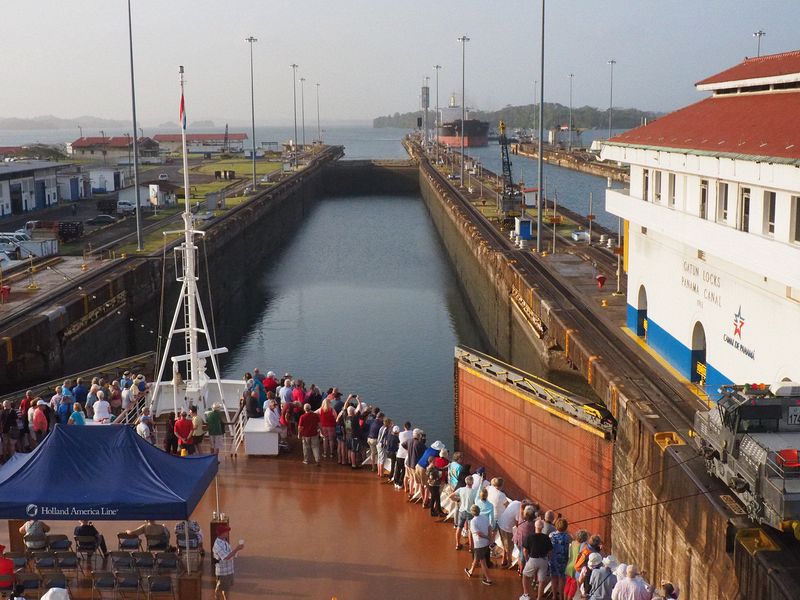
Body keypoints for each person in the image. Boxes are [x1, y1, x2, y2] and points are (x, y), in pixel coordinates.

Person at [521, 519, 552, 600]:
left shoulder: (529, 537)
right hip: (543, 560)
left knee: (525, 575)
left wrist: (527, 559)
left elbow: (525, 550)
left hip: (533, 559)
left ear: (535, 526)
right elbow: (549, 551)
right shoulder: (546, 537)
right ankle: (539, 598)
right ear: (542, 527)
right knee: (541, 581)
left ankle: (526, 595)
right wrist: (547, 560)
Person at [464, 504, 493, 586]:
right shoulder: (485, 518)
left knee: (483, 562)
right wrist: (490, 539)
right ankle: (470, 571)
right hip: (486, 544)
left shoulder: (473, 522)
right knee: (477, 558)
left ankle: (488, 579)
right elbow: (489, 528)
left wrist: (487, 537)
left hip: (479, 544)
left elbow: (479, 534)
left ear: (472, 513)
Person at [213, 524, 243, 600]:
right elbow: (226, 557)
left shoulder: (224, 541)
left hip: (229, 570)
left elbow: (229, 553)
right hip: (223, 572)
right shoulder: (217, 545)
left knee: (226, 588)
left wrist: (236, 550)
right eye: (226, 532)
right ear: (222, 533)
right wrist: (237, 549)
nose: (228, 533)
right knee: (219, 588)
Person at [449, 475, 476, 551]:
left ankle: (457, 544)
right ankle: (471, 547)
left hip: (462, 511)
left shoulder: (461, 489)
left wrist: (457, 500)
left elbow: (450, 496)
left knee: (459, 527)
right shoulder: (474, 492)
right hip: (470, 513)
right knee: (470, 530)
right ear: (472, 482)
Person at [549, 518, 573, 600]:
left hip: (553, 559)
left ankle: (554, 596)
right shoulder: (568, 536)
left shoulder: (552, 535)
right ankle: (562, 597)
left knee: (553, 578)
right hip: (563, 560)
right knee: (561, 578)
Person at [394, 422, 412, 489]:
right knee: (404, 470)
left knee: (398, 468)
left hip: (399, 454)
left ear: (404, 427)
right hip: (407, 455)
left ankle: (395, 482)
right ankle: (400, 483)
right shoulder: (412, 433)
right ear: (410, 426)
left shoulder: (401, 434)